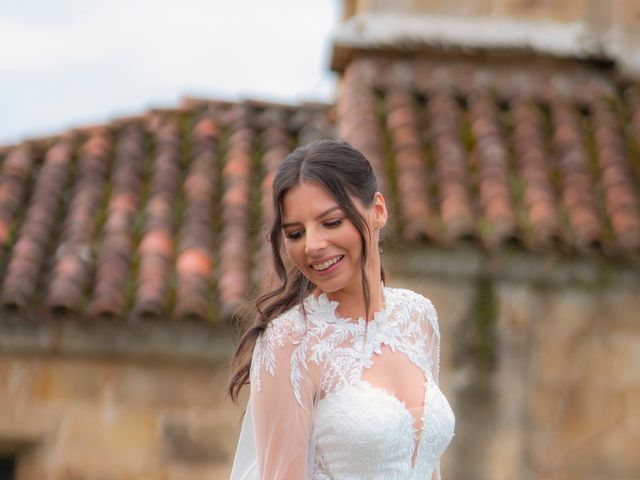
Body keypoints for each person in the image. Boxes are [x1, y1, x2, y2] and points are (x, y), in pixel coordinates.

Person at [228, 139, 455, 479]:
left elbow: (428, 466)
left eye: (331, 222)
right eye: (295, 233)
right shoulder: (289, 343)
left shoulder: (419, 317)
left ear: (377, 210)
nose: (313, 245)